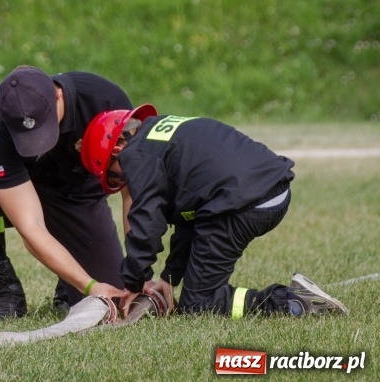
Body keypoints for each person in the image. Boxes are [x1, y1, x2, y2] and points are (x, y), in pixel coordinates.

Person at [80, 104, 349, 319]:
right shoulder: (161, 133)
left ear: (117, 150)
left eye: (114, 178)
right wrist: (169, 277)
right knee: (198, 280)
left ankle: (292, 302)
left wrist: (134, 283)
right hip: (274, 192)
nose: (122, 183)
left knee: (198, 304)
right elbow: (191, 217)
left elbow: (147, 222)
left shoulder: (135, 155)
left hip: (240, 206)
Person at [0, 66, 133, 318]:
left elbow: (131, 192)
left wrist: (138, 271)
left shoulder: (105, 100)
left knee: (115, 292)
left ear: (58, 95)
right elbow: (30, 227)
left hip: (76, 195)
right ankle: (5, 289)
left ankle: (67, 283)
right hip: (22, 191)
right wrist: (88, 285)